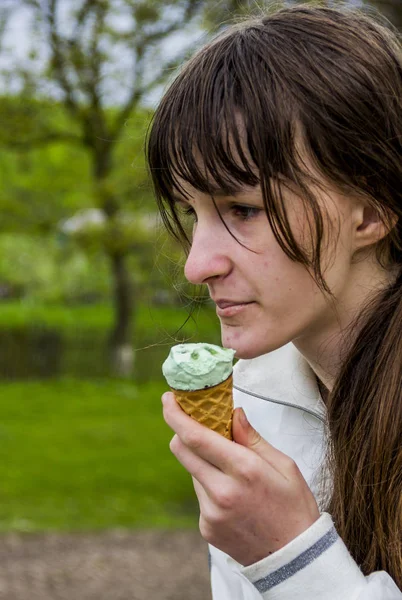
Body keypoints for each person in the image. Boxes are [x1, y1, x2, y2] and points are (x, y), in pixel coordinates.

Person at [146, 4, 402, 599]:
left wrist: (290, 555)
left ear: (372, 209)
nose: (196, 264)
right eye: (194, 213)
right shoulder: (252, 409)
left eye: (243, 209)